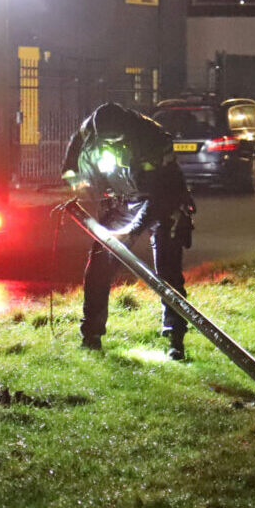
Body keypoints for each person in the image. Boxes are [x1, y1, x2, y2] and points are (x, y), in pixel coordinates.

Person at [62, 103, 196, 360]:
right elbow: (72, 157)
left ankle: (175, 340)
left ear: (125, 133)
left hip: (162, 201)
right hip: (121, 200)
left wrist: (131, 232)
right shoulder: (90, 129)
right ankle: (91, 336)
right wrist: (74, 181)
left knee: (167, 274)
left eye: (115, 142)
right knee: (99, 264)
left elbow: (160, 196)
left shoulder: (152, 139)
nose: (108, 146)